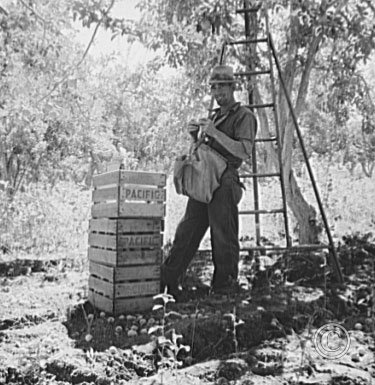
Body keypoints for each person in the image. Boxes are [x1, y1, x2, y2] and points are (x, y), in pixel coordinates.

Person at [161, 65, 257, 297]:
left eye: (222, 87)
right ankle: (168, 282)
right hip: (205, 180)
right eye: (213, 88)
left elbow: (244, 151)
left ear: (232, 87)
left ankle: (225, 287)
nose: (217, 92)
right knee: (187, 230)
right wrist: (196, 136)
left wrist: (214, 132)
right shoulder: (214, 116)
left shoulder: (245, 116)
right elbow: (204, 151)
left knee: (223, 233)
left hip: (225, 182)